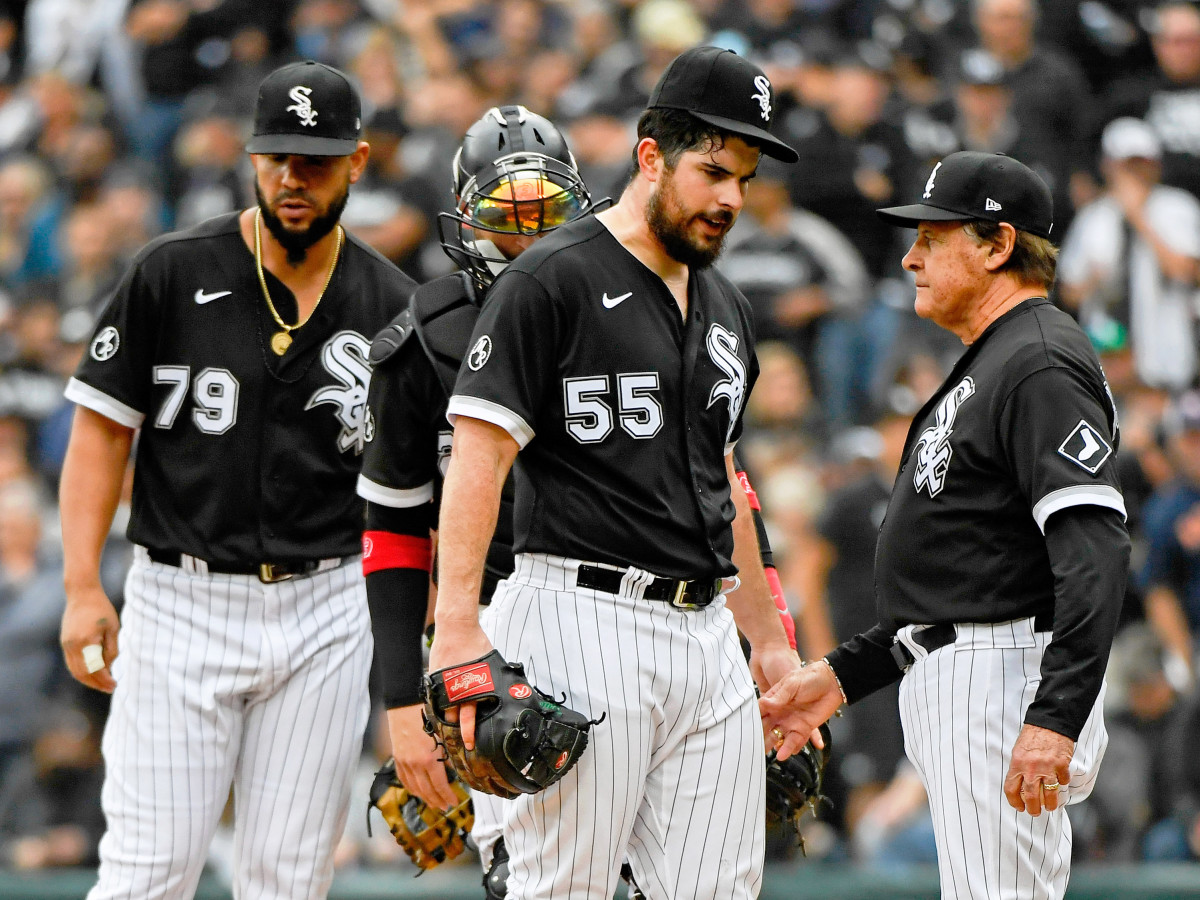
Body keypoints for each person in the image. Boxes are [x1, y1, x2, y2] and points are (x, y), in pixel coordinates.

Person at [428, 45, 803, 900]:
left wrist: (772, 644)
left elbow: (728, 487)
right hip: (579, 620)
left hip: (708, 634)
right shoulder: (550, 278)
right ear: (650, 156)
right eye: (713, 170)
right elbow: (478, 456)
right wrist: (455, 627)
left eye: (744, 178)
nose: (730, 199)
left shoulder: (726, 306)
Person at [56, 60, 415, 900]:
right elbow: (103, 430)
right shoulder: (170, 270)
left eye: (316, 159)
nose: (292, 177)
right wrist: (80, 584)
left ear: (358, 162)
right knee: (148, 874)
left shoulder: (393, 304)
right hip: (179, 600)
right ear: (252, 157)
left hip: (326, 605)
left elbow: (409, 491)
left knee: (287, 880)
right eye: (276, 156)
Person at [761, 151, 1131, 900]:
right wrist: (844, 674)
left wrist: (1053, 716)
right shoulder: (994, 360)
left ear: (997, 246)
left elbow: (1094, 548)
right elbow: (962, 568)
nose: (910, 256)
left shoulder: (1038, 363)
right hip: (965, 670)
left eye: (933, 237)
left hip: (1004, 680)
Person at [356, 102, 600, 887]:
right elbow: (392, 528)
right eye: (506, 217)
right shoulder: (424, 335)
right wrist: (402, 700)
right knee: (524, 870)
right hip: (487, 627)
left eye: (546, 214)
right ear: (465, 219)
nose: (527, 238)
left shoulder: (626, 308)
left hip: (623, 608)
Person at [1058, 116, 1200, 392]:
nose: (1135, 172)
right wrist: (1093, 281)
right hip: (1107, 363)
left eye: (1142, 163)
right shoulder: (1094, 216)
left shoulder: (1179, 207)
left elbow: (1186, 271)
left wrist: (1138, 218)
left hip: (1167, 362)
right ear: (1108, 166)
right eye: (1127, 164)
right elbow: (1068, 294)